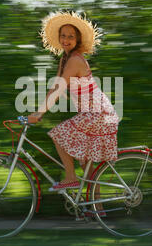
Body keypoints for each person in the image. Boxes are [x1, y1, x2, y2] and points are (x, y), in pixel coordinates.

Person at [27, 11, 120, 204]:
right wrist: (39, 112)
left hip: (98, 113)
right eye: (63, 35)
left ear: (77, 39)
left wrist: (39, 113)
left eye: (71, 36)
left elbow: (59, 89)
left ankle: (70, 178)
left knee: (59, 135)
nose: (66, 39)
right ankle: (97, 207)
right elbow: (55, 87)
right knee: (87, 164)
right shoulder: (65, 60)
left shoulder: (75, 60)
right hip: (94, 113)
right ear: (59, 38)